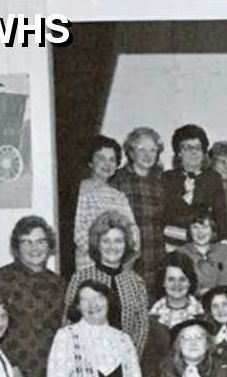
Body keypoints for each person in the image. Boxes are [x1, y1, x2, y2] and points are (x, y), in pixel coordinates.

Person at [0, 216, 66, 377]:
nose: (34, 248)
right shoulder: (1, 279)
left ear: (49, 245)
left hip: (49, 370)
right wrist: (10, 370)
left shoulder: (59, 283)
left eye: (41, 241)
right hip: (13, 369)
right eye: (27, 242)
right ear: (17, 246)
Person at [64, 209, 151, 356]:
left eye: (118, 241)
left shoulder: (137, 282)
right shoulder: (80, 278)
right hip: (87, 361)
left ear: (126, 245)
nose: (112, 246)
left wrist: (130, 360)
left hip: (126, 361)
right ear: (97, 244)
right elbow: (68, 323)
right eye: (106, 241)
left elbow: (142, 327)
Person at [73, 134, 140, 272]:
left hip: (119, 267)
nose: (107, 164)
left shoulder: (119, 196)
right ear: (90, 161)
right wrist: (105, 258)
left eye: (112, 160)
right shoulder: (80, 192)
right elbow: (78, 231)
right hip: (89, 265)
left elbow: (133, 231)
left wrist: (125, 257)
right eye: (101, 158)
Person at [110, 127, 166, 287]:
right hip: (129, 263)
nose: (147, 155)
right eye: (141, 149)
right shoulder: (118, 180)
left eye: (153, 150)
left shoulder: (160, 182)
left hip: (157, 260)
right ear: (131, 152)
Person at [160, 124, 227, 255]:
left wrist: (225, 241)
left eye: (197, 148)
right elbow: (165, 215)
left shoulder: (213, 178)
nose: (193, 152)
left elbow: (220, 214)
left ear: (203, 152)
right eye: (187, 148)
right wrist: (184, 200)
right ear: (178, 152)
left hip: (205, 246)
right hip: (173, 245)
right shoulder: (167, 178)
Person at [142, 252, 205, 372]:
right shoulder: (152, 318)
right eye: (171, 279)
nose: (177, 285)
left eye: (182, 279)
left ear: (190, 282)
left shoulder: (203, 315)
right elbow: (149, 361)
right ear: (163, 282)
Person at [180, 203, 227, 294]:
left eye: (205, 227)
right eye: (195, 227)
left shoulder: (223, 250)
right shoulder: (181, 253)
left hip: (219, 301)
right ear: (189, 230)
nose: (200, 233)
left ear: (213, 229)